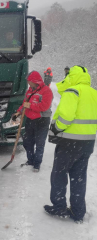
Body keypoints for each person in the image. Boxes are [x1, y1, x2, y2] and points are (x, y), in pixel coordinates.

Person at [44, 66, 97, 224]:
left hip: (69, 142)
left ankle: (60, 206)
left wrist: (56, 127)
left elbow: (66, 116)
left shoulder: (73, 91)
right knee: (79, 177)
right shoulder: (94, 93)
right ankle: (78, 211)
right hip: (88, 142)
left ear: (72, 76)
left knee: (59, 175)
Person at [12, 71, 53, 172]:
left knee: (39, 143)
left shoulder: (46, 91)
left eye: (29, 81)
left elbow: (44, 106)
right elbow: (24, 104)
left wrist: (30, 106)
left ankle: (37, 164)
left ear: (35, 81)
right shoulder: (29, 91)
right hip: (30, 120)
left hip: (42, 120)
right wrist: (18, 113)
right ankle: (30, 160)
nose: (28, 83)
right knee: (27, 142)